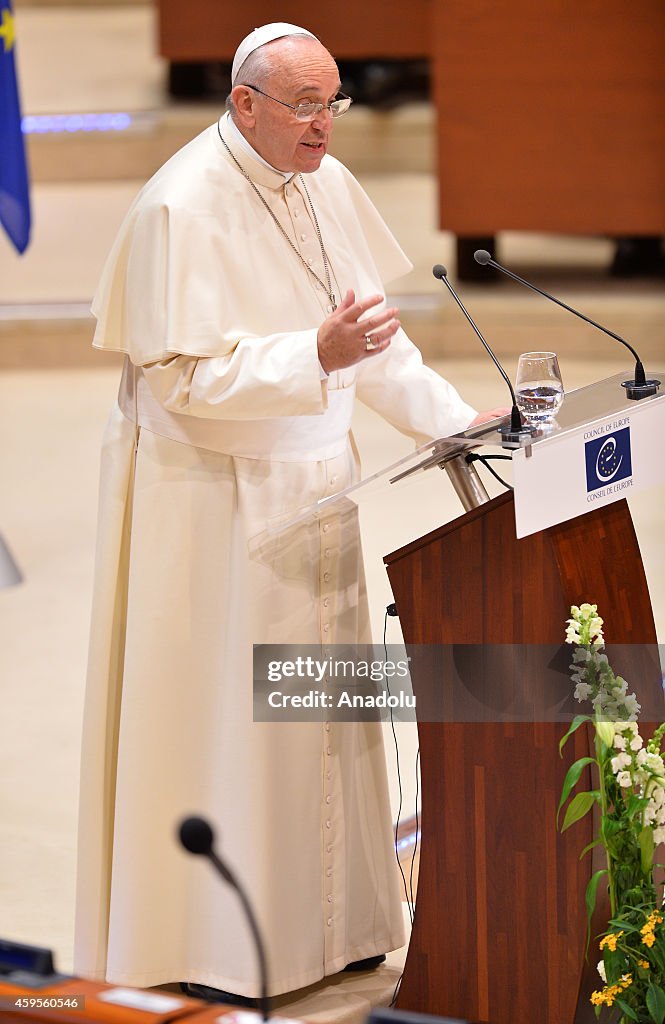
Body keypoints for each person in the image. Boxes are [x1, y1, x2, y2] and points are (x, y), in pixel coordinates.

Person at [74, 22, 504, 1002]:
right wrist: (310, 353)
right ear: (245, 104)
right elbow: (181, 374)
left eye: (335, 102)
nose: (325, 126)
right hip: (209, 499)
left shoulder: (324, 184)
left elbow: (374, 345)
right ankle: (217, 948)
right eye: (305, 106)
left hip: (313, 484)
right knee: (227, 721)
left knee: (312, 713)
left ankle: (333, 930)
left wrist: (452, 422)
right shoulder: (180, 205)